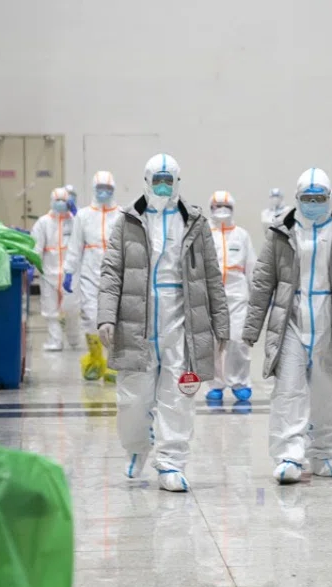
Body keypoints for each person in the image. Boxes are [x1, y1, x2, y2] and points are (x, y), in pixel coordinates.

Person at [97, 153, 230, 492]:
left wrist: (220, 324)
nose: (162, 185)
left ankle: (171, 462)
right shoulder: (127, 220)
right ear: (145, 180)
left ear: (177, 183)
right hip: (135, 320)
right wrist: (106, 316)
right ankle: (137, 447)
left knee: (177, 396)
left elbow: (212, 276)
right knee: (132, 400)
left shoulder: (195, 222)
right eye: (157, 179)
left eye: (168, 180)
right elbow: (111, 272)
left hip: (180, 320)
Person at [243, 168, 332, 484]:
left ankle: (324, 452)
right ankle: (288, 455)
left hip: (331, 320)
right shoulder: (281, 232)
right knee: (288, 389)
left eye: (320, 198)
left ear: (330, 199)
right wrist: (252, 327)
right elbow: (263, 280)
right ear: (297, 198)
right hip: (292, 318)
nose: (313, 204)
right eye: (307, 198)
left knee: (327, 392)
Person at [63, 171, 121, 382]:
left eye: (108, 189)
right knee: (90, 316)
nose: (104, 193)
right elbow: (75, 245)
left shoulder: (122, 215)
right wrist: (69, 271)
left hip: (116, 273)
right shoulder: (84, 215)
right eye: (100, 189)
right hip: (89, 273)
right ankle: (96, 360)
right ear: (94, 189)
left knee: (115, 319)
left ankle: (113, 362)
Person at [205, 190, 258, 403]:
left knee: (238, 340)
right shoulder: (204, 234)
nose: (221, 211)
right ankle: (215, 384)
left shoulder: (242, 235)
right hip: (212, 296)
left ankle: (240, 382)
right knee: (213, 343)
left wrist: (258, 296)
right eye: (217, 207)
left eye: (225, 207)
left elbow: (252, 267)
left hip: (238, 296)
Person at [31, 187, 83, 351]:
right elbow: (36, 247)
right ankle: (55, 341)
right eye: (57, 200)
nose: (60, 203)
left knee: (72, 309)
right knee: (50, 309)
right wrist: (33, 266)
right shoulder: (43, 222)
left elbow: (84, 235)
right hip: (49, 273)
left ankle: (74, 339)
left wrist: (77, 214)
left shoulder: (75, 221)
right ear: (51, 201)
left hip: (70, 274)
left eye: (64, 200)